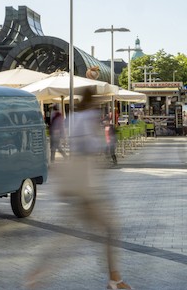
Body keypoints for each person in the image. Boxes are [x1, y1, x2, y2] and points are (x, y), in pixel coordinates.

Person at [26, 88, 132, 289]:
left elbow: (70, 142)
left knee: (68, 237)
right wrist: (100, 142)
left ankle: (36, 275)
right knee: (109, 228)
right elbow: (89, 146)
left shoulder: (72, 118)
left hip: (79, 184)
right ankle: (114, 279)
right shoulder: (90, 117)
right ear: (93, 101)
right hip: (88, 185)